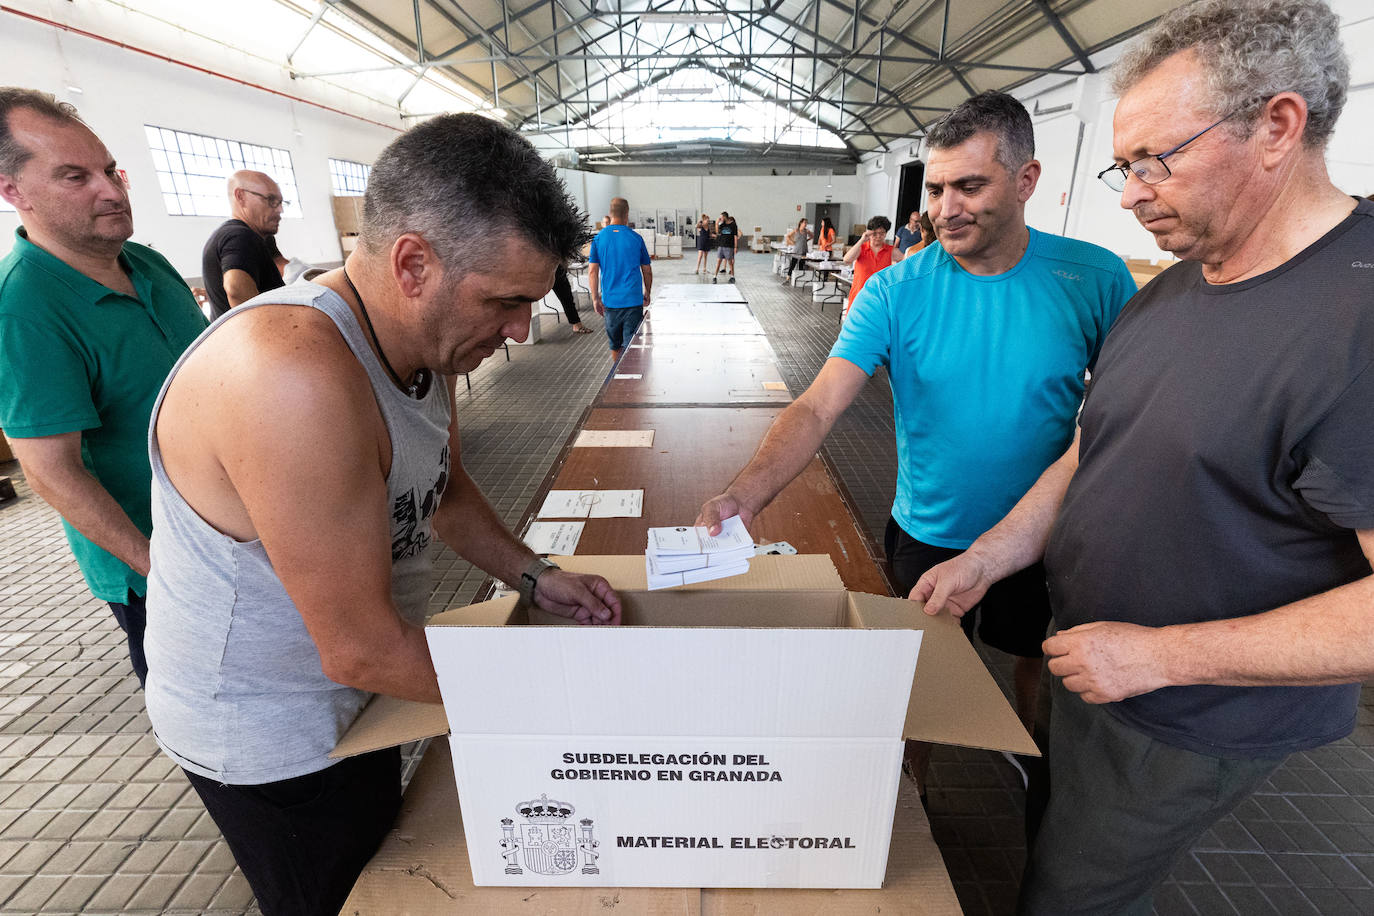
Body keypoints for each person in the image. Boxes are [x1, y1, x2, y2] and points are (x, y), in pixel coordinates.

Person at [914, 2, 1372, 912]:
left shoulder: (1354, 323)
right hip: (1096, 665)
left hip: (1184, 709)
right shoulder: (1177, 284)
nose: (1129, 194)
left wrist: (1160, 657)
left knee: (1070, 893)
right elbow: (1095, 450)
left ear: (1279, 126)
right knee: (1051, 836)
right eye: (1122, 166)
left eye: (1156, 159)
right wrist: (990, 555)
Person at [144, 113, 622, 916]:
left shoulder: (421, 345)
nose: (517, 330)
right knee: (335, 893)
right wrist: (570, 702)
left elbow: (448, 488)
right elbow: (359, 649)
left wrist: (536, 578)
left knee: (380, 848)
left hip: (356, 693)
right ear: (412, 263)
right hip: (269, 730)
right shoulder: (291, 379)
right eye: (504, 302)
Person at [699, 90, 1134, 801]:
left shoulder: (1093, 278)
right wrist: (746, 494)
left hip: (1050, 533)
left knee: (1040, 666)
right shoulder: (894, 291)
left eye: (970, 185)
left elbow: (1123, 415)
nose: (946, 207)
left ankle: (1044, 781)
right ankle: (911, 806)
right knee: (923, 685)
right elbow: (817, 406)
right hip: (929, 532)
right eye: (935, 187)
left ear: (1026, 182)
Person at [0, 88, 207, 688]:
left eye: (110, 169)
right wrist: (159, 571)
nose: (113, 191)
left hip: (238, 537)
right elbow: (51, 471)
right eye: (75, 177)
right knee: (217, 724)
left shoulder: (148, 265)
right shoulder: (25, 310)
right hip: (164, 566)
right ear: (13, 191)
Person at [201, 170, 287, 320]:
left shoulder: (228, 235)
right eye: (271, 200)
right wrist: (268, 332)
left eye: (280, 202)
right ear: (241, 196)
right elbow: (236, 289)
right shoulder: (241, 236)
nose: (280, 210)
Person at [588, 196, 651, 361]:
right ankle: (631, 380)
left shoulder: (599, 238)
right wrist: (648, 292)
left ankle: (617, 381)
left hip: (610, 302)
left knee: (615, 346)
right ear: (627, 213)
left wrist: (595, 298)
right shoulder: (636, 238)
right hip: (633, 301)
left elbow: (592, 272)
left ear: (610, 213)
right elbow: (647, 270)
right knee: (631, 346)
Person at [841, 215, 895, 315]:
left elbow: (907, 259)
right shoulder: (861, 248)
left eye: (882, 233)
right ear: (869, 233)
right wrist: (862, 240)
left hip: (880, 300)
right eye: (875, 233)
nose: (878, 236)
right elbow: (847, 260)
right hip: (859, 298)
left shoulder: (891, 250)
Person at [550, 264, 590, 333]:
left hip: (556, 270)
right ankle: (576, 324)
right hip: (542, 270)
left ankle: (576, 324)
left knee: (567, 299)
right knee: (567, 299)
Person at [713, 210, 738, 283]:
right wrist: (717, 224)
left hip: (729, 246)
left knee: (730, 262)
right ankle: (715, 276)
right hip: (721, 245)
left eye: (721, 217)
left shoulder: (733, 225)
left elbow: (735, 236)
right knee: (718, 261)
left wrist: (735, 247)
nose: (720, 218)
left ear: (725, 217)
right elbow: (718, 232)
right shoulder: (722, 224)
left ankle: (732, 276)